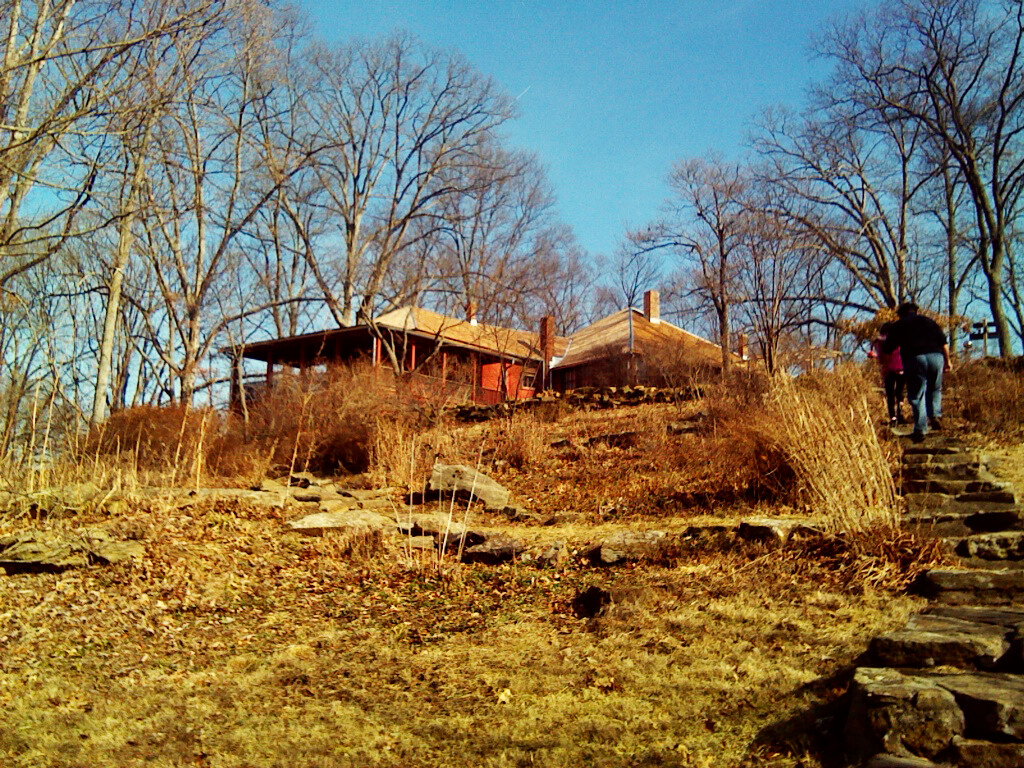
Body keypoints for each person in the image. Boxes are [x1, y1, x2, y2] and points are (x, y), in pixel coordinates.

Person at [883, 302, 952, 443]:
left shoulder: (899, 325)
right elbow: (944, 342)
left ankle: (921, 428)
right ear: (916, 311)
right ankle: (935, 416)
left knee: (917, 394)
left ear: (900, 314)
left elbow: (889, 348)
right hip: (936, 357)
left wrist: (887, 365)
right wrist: (948, 360)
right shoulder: (929, 321)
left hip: (915, 359)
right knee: (935, 388)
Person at [869, 322, 905, 427]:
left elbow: (881, 358)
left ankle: (893, 417)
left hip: (888, 370)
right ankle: (900, 411)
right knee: (900, 392)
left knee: (890, 394)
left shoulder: (879, 341)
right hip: (901, 368)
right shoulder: (902, 338)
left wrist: (874, 356)